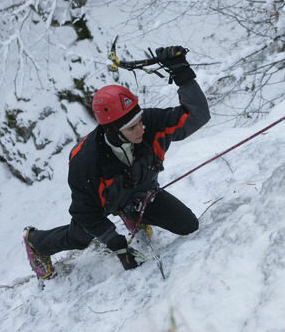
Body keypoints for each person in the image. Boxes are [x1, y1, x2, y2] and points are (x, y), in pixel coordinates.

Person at [23, 46, 210, 279]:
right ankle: (36, 242)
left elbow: (197, 116)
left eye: (140, 120)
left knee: (187, 225)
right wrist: (115, 242)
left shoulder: (150, 124)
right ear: (113, 131)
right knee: (80, 238)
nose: (142, 129)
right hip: (103, 204)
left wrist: (182, 72)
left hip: (141, 191)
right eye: (132, 127)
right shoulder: (86, 162)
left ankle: (131, 211)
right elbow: (85, 212)